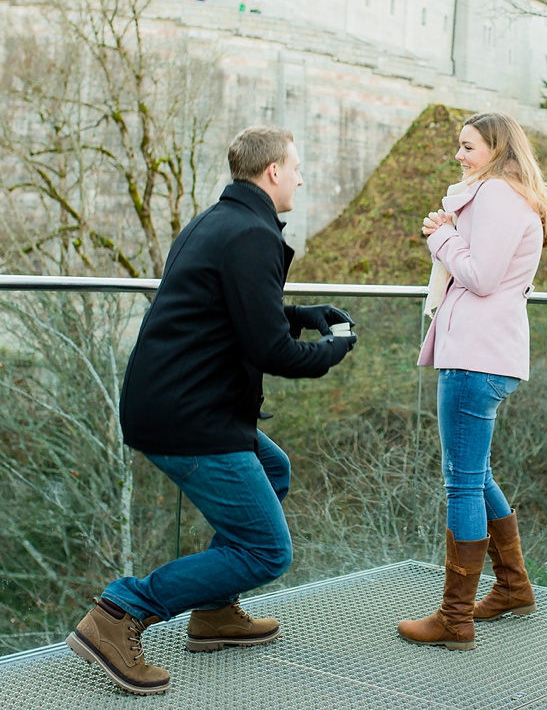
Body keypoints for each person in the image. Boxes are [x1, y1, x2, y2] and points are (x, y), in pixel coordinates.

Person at [67, 126, 358, 696]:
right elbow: (269, 350)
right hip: (189, 416)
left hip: (180, 403)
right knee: (267, 550)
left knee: (274, 470)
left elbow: (234, 308)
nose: (300, 177)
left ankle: (214, 611)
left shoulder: (218, 221)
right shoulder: (250, 234)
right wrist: (332, 350)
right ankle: (120, 612)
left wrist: (299, 312)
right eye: (295, 167)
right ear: (273, 171)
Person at [398, 112, 547, 650]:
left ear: (496, 148)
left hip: (474, 356)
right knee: (475, 472)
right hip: (491, 355)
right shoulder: (514, 198)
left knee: (462, 483)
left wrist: (441, 238)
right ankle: (513, 587)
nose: (460, 156)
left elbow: (481, 277)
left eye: (468, 147)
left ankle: (454, 618)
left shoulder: (494, 197)